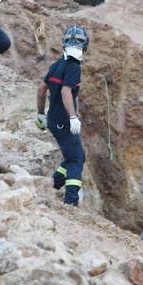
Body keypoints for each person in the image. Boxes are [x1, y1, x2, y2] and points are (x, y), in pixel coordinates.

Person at [36, 26, 89, 206]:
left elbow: (42, 89)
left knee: (77, 155)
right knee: (75, 159)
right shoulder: (74, 67)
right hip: (63, 122)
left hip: (53, 119)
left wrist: (41, 114)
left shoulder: (57, 64)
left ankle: (54, 183)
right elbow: (67, 91)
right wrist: (73, 117)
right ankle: (71, 200)